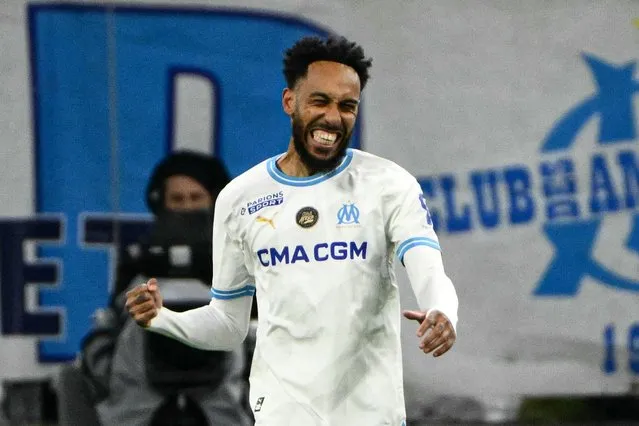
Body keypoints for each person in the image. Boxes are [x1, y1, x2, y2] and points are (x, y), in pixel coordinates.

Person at [125, 36, 459, 425]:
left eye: (347, 106)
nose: (333, 117)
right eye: (320, 101)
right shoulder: (240, 198)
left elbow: (429, 270)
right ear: (290, 102)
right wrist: (163, 319)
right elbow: (229, 325)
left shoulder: (387, 183)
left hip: (368, 415)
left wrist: (442, 311)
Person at [75, 151, 253, 426]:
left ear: (215, 201)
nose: (186, 209)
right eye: (177, 200)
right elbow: (105, 338)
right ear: (161, 203)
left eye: (196, 199)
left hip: (225, 410)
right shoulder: (136, 264)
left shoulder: (243, 262)